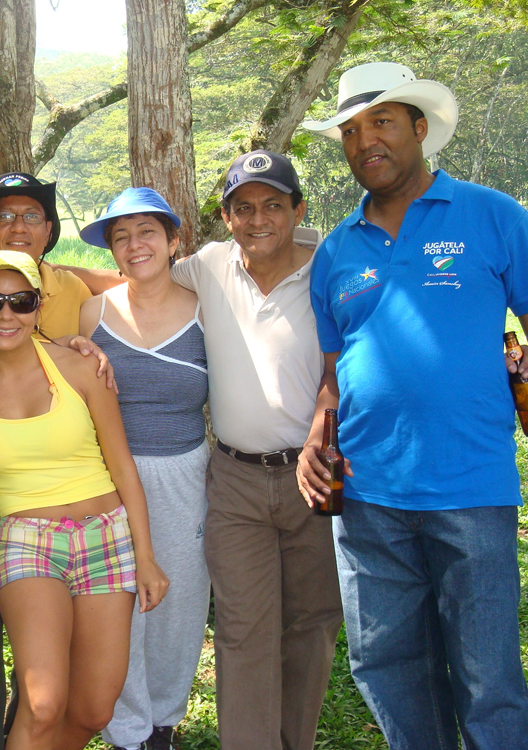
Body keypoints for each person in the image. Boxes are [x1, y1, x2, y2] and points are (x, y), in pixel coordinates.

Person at [298, 61, 528, 748]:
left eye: (382, 122)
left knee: (487, 677)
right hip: (367, 496)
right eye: (351, 130)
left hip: (471, 487)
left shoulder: (493, 215)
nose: (365, 140)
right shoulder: (336, 251)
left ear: (420, 128)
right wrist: (316, 433)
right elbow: (335, 370)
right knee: (388, 667)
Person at [0, 250, 169, 750]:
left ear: (38, 306)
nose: (6, 314)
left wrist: (146, 555)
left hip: (106, 535)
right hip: (27, 542)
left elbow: (122, 467)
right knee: (44, 701)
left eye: (20, 301)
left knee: (94, 708)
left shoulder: (81, 367)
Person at [171, 152, 342, 750]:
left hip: (313, 474)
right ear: (226, 217)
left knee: (311, 625)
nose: (258, 219)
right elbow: (136, 279)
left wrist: (321, 430)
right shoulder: (210, 265)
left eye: (273, 205)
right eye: (243, 208)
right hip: (236, 480)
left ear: (298, 210)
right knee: (243, 630)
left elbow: (342, 367)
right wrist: (38, 278)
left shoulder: (330, 268)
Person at [0, 172, 93, 750]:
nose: (18, 226)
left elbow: (140, 280)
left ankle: (28, 735)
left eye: (31, 215)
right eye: (5, 216)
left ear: (50, 231)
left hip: (60, 511)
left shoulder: (72, 289)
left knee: (48, 661)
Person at [75, 188, 212, 750]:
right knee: (118, 605)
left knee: (178, 604)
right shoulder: (94, 312)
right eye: (121, 236)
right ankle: (126, 731)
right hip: (107, 482)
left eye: (147, 232)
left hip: (184, 476)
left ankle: (163, 722)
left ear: (174, 240)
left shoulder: (205, 310)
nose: (135, 245)